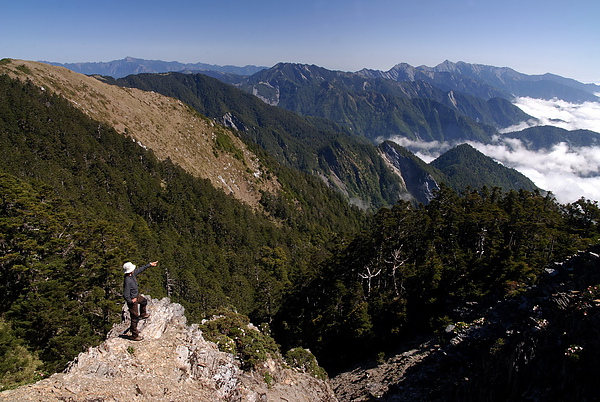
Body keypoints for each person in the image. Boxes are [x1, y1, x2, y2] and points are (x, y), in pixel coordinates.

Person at [122, 260, 158, 341]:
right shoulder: (128, 280)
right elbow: (125, 294)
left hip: (136, 296)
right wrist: (131, 301)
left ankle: (143, 314)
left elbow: (140, 269)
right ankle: (134, 335)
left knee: (144, 301)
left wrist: (149, 264)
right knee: (134, 317)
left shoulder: (132, 274)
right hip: (132, 300)